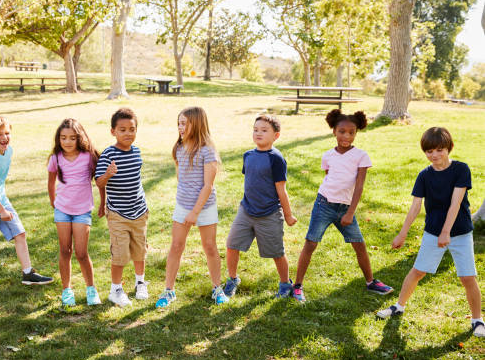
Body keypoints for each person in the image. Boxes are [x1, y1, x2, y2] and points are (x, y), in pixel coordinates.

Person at [377, 127, 484, 337]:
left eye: (439, 150)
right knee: (418, 272)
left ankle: (477, 320)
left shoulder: (461, 169)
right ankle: (398, 306)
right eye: (429, 151)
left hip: (460, 232)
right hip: (433, 233)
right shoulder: (424, 175)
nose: (434, 155)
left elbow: (456, 203)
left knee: (467, 277)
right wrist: (402, 233)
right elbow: (415, 206)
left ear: (449, 148)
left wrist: (447, 232)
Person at [292, 109, 392, 302]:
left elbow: (359, 186)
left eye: (351, 132)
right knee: (311, 243)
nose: (346, 136)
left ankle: (371, 282)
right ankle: (297, 286)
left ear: (356, 133)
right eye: (342, 131)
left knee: (359, 245)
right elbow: (328, 178)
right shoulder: (328, 155)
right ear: (334, 132)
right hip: (324, 204)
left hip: (346, 209)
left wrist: (350, 213)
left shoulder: (361, 156)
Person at [156, 106, 229, 308]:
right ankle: (168, 290)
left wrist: (195, 212)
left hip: (204, 207)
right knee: (176, 246)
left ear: (196, 125)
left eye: (184, 123)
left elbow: (208, 185)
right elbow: (181, 178)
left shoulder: (208, 151)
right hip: (182, 205)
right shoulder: (178, 148)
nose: (180, 127)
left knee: (210, 247)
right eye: (179, 123)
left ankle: (217, 288)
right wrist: (186, 208)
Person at [0, 115, 52, 291]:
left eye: (7, 133)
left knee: (20, 233)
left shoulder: (8, 151)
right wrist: (1, 210)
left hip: (0, 199)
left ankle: (28, 273)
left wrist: (2, 206)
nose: (4, 138)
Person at [223, 114, 297, 299]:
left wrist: (288, 216)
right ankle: (232, 279)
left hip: (269, 213)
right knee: (232, 245)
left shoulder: (276, 159)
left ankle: (285, 283)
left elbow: (282, 191)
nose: (258, 133)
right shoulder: (247, 155)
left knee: (277, 252)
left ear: (276, 136)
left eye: (264, 130)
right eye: (255, 130)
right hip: (246, 210)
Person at [95, 108, 149, 307]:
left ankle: (140, 282)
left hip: (139, 211)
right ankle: (115, 289)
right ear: (113, 132)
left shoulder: (137, 151)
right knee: (120, 253)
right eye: (123, 129)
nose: (128, 133)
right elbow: (99, 183)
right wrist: (108, 174)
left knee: (139, 250)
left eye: (132, 129)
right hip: (118, 213)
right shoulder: (109, 154)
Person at [48, 118, 102, 306]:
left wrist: (103, 203)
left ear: (79, 138)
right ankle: (67, 290)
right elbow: (50, 181)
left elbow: (101, 180)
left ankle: (91, 289)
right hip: (62, 210)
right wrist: (53, 202)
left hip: (82, 211)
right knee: (65, 250)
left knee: (81, 252)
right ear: (58, 139)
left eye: (72, 138)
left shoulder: (88, 157)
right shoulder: (55, 158)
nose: (67, 142)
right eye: (63, 138)